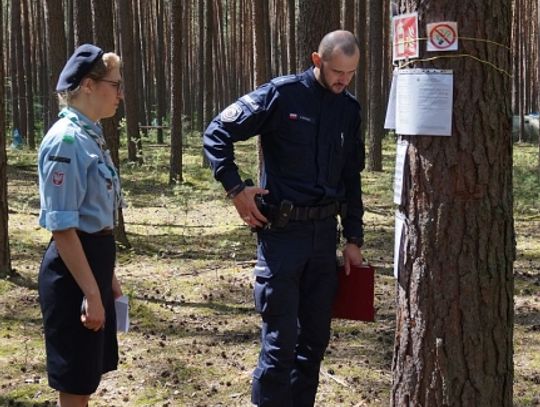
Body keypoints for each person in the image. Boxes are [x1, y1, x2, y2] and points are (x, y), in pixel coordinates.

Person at [203, 30, 365, 406]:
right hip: (282, 238)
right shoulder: (281, 94)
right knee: (280, 348)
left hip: (325, 239)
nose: (344, 80)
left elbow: (350, 178)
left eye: (351, 73)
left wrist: (353, 239)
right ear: (317, 60)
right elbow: (217, 132)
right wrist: (235, 189)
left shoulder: (349, 109)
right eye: (338, 71)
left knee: (313, 346)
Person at [37, 44, 125, 407]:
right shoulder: (67, 141)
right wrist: (91, 293)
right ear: (89, 85)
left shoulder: (90, 136)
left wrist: (109, 281)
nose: (120, 93)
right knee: (74, 384)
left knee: (86, 378)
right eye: (115, 84)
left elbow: (96, 220)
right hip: (73, 273)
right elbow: (63, 228)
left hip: (92, 265)